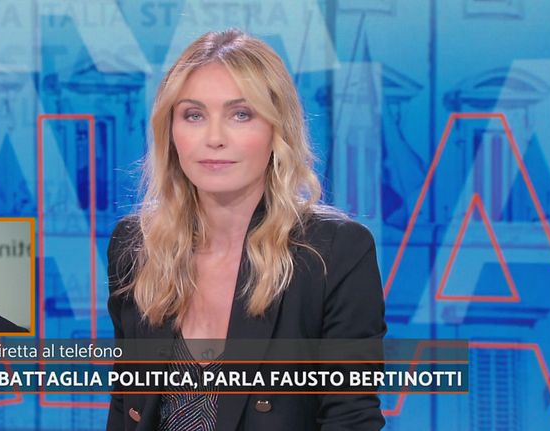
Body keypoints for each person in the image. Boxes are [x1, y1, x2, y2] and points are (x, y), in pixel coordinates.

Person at [106, 29, 386, 430]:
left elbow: (351, 418)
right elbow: (125, 405)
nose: (214, 138)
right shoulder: (136, 246)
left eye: (241, 114)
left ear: (277, 130)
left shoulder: (335, 253)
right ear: (170, 131)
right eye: (194, 115)